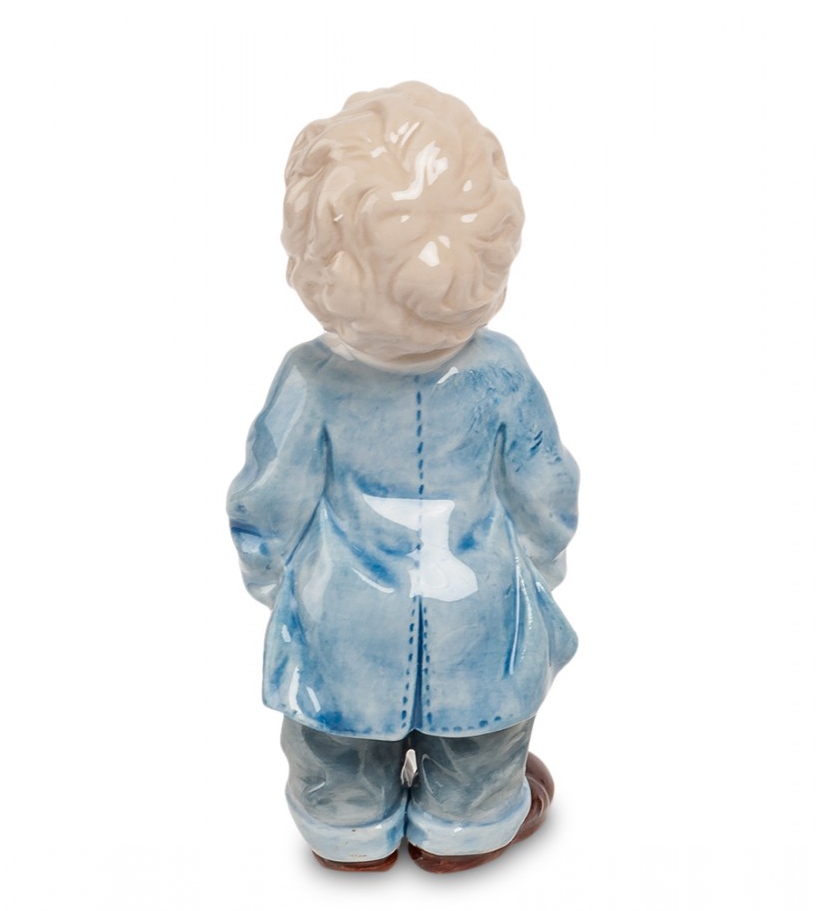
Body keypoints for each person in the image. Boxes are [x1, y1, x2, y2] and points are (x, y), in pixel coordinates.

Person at [227, 81, 579, 872]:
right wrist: (540, 568)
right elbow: (545, 490)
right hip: (479, 617)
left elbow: (265, 506)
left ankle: (348, 828)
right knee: (483, 739)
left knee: (334, 749)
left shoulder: (311, 382)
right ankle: (467, 821)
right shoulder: (501, 374)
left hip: (340, 629)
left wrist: (279, 587)